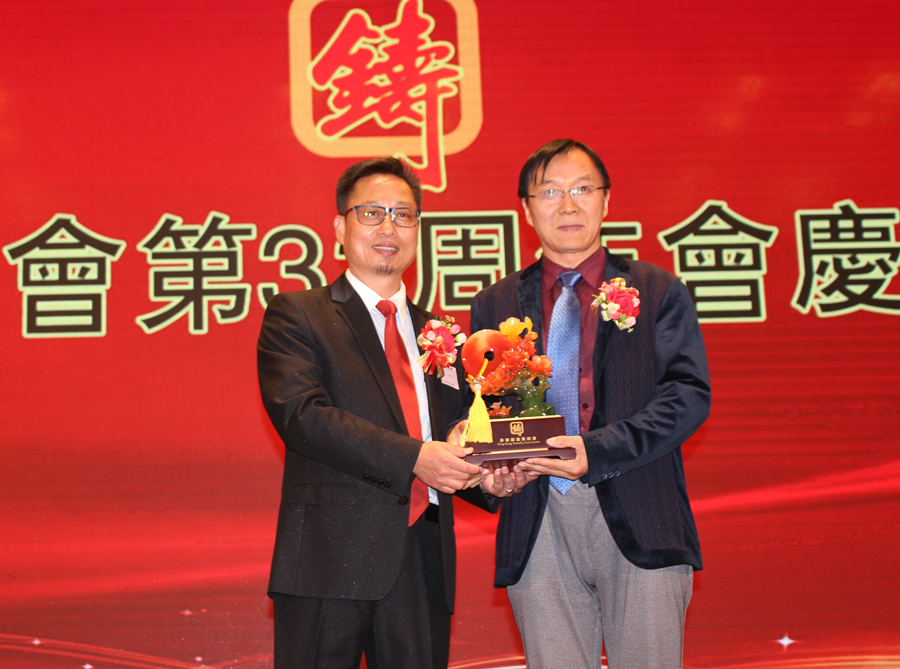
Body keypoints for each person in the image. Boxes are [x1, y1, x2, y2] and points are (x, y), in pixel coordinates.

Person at [257, 157, 515, 669]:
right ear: (340, 227)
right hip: (329, 558)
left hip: (423, 557)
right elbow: (303, 415)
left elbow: (456, 429)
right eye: (372, 213)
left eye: (404, 215)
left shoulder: (441, 332)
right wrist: (416, 457)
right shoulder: (299, 313)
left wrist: (487, 473)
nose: (389, 228)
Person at [469, 139, 711, 669]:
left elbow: (688, 396)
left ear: (606, 200)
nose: (567, 205)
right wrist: (493, 474)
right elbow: (484, 410)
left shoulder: (656, 288)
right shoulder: (494, 303)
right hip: (536, 520)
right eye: (549, 192)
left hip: (641, 512)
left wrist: (596, 450)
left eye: (582, 189)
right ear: (526, 209)